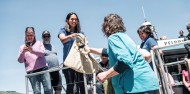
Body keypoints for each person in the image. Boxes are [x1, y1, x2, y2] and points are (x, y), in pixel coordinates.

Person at [90, 14, 159, 94]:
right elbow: (108, 52)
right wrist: (89, 50)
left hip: (135, 87)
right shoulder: (125, 37)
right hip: (148, 83)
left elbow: (124, 61)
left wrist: (105, 74)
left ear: (107, 26)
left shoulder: (113, 38)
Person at [18, 27, 52, 94]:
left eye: (31, 35)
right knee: (37, 92)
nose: (30, 37)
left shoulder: (39, 43)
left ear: (34, 35)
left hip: (44, 69)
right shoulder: (22, 47)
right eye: (28, 35)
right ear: (25, 35)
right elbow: (20, 60)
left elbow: (42, 53)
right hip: (32, 72)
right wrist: (23, 52)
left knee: (48, 89)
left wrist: (32, 50)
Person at [58, 12, 85, 94]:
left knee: (82, 84)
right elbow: (62, 39)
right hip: (68, 63)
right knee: (70, 85)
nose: (74, 21)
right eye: (72, 19)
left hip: (79, 62)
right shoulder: (63, 30)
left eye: (76, 19)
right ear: (67, 20)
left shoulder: (81, 33)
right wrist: (71, 36)